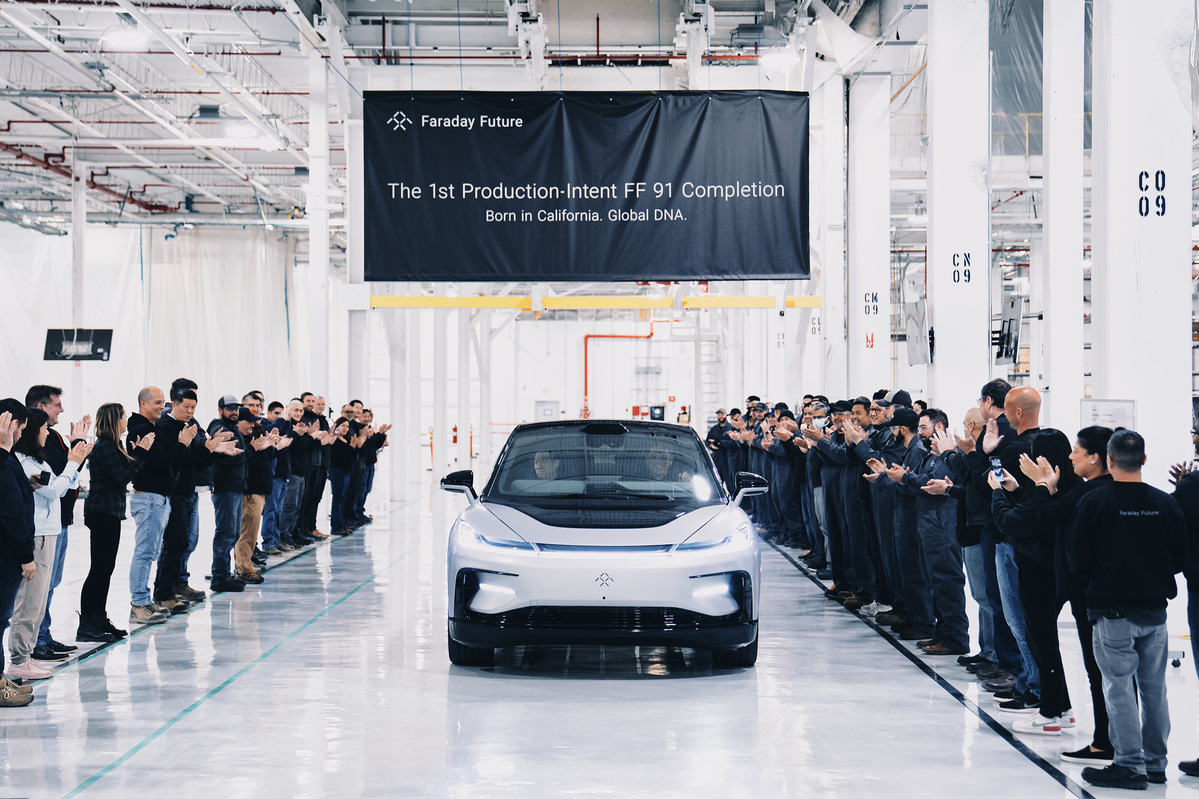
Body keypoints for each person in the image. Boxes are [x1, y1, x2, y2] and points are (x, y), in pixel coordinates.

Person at [1067, 429, 1184, 790]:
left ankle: (1130, 765)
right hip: (1155, 613)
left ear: (1109, 460)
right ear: (1144, 460)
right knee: (1154, 689)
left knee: (1118, 689)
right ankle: (1155, 763)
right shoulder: (1164, 503)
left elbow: (1077, 559)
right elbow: (1179, 557)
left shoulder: (1094, 502)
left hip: (1112, 612)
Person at [1019, 426, 1117, 764]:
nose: (1072, 456)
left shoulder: (1086, 494)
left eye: (1077, 451)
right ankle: (1132, 747)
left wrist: (1042, 486)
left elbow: (1045, 517)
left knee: (1099, 670)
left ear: (1096, 457)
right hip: (1115, 595)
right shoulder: (1116, 492)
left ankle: (1106, 744)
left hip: (1093, 594)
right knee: (1123, 675)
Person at [8, 410, 90, 679]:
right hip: (38, 535)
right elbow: (53, 490)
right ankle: (19, 659)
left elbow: (64, 486)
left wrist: (74, 464)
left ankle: (26, 655)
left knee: (40, 601)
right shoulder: (24, 462)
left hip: (49, 533)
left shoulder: (37, 460)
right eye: (43, 429)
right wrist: (72, 464)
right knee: (29, 602)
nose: (47, 434)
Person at [78, 403, 154, 642]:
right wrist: (141, 454)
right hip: (102, 512)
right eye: (123, 417)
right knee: (99, 569)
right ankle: (87, 624)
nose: (126, 421)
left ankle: (99, 618)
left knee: (106, 569)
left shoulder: (114, 446)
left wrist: (135, 455)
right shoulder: (104, 447)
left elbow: (124, 473)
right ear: (114, 420)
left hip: (110, 512)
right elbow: (122, 478)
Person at [24, 384, 88, 662]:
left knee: (51, 583)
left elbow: (66, 474)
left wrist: (76, 451)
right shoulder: (35, 444)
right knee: (40, 587)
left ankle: (43, 635)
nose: (62, 409)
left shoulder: (52, 437)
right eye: (57, 404)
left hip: (58, 521)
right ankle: (35, 642)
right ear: (41, 407)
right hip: (44, 526)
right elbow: (54, 483)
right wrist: (76, 452)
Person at [126, 386, 193, 625]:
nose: (162, 407)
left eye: (163, 402)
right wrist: (182, 444)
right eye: (157, 402)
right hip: (149, 498)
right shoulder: (141, 430)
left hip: (158, 498)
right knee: (144, 553)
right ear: (143, 404)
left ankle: (144, 600)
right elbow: (162, 462)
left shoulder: (152, 428)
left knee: (151, 552)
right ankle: (139, 604)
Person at [0, 406, 35, 706]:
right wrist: (26, 556)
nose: (21, 436)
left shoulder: (6, 459)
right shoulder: (2, 460)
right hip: (6, 554)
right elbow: (10, 511)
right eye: (20, 429)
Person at [207, 395, 249, 594]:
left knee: (232, 533)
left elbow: (239, 453)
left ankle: (224, 574)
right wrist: (240, 454)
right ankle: (219, 577)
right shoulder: (219, 428)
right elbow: (228, 454)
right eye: (230, 408)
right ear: (220, 410)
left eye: (236, 408)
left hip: (235, 487)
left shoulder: (233, 428)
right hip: (225, 489)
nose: (234, 412)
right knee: (225, 534)